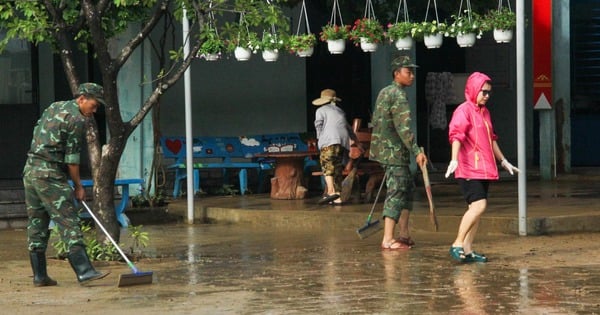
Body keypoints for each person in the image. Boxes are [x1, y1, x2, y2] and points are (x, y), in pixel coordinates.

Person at [23, 83, 110, 286]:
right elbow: (72, 160)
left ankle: (39, 276)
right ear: (82, 99)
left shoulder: (54, 107)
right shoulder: (77, 119)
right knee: (68, 220)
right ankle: (84, 271)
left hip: (30, 170)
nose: (95, 111)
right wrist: (78, 186)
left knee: (37, 223)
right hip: (49, 174)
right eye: (94, 105)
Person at [444, 72, 520, 263]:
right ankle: (457, 243)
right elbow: (457, 136)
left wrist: (503, 161)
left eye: (488, 93)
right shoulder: (463, 110)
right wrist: (454, 159)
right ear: (473, 90)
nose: (486, 96)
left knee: (476, 208)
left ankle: (468, 249)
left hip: (484, 167)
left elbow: (491, 138)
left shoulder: (484, 112)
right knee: (479, 205)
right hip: (469, 167)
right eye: (483, 92)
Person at [369, 56, 427, 250]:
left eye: (412, 72)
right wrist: (417, 151)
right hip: (393, 153)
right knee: (397, 191)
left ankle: (404, 233)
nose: (412, 75)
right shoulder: (398, 96)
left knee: (406, 190)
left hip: (388, 151)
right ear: (397, 73)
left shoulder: (386, 92)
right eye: (407, 72)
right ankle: (388, 238)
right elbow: (403, 128)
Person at [313, 88, 359, 205]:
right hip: (342, 142)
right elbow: (348, 128)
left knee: (327, 165)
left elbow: (318, 125)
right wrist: (356, 141)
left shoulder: (320, 110)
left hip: (328, 141)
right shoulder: (340, 111)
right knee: (337, 167)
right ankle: (338, 196)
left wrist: (320, 138)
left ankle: (331, 191)